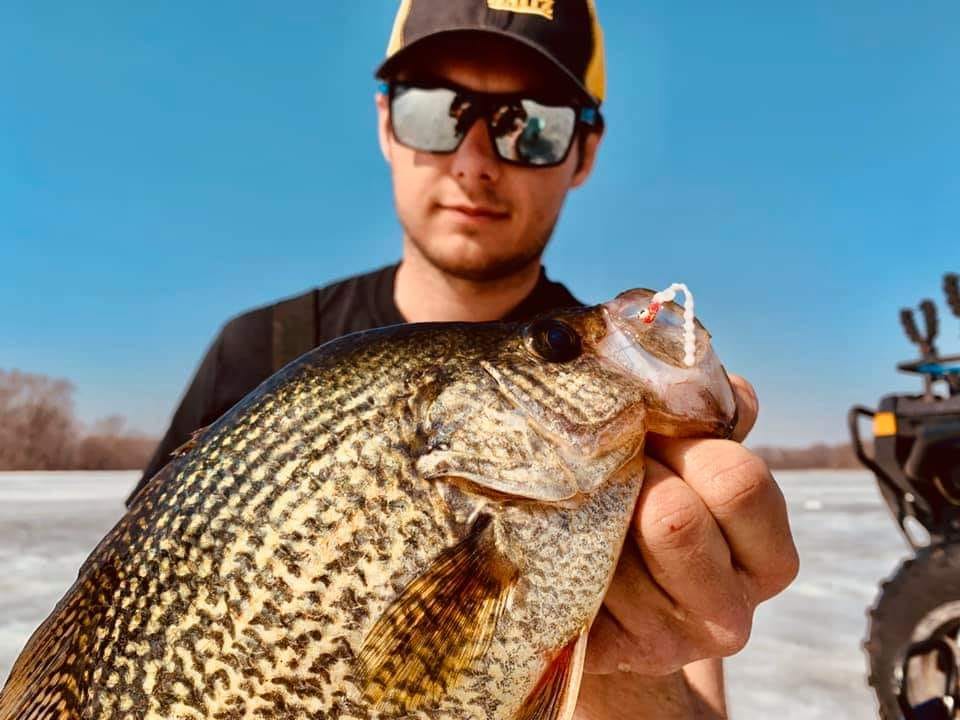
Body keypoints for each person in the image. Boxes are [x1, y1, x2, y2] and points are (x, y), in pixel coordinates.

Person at [131, 1, 799, 717]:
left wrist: (631, 670)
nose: (476, 161)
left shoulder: (630, 428)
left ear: (585, 152)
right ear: (386, 124)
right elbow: (129, 617)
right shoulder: (257, 351)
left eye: (531, 124)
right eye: (435, 110)